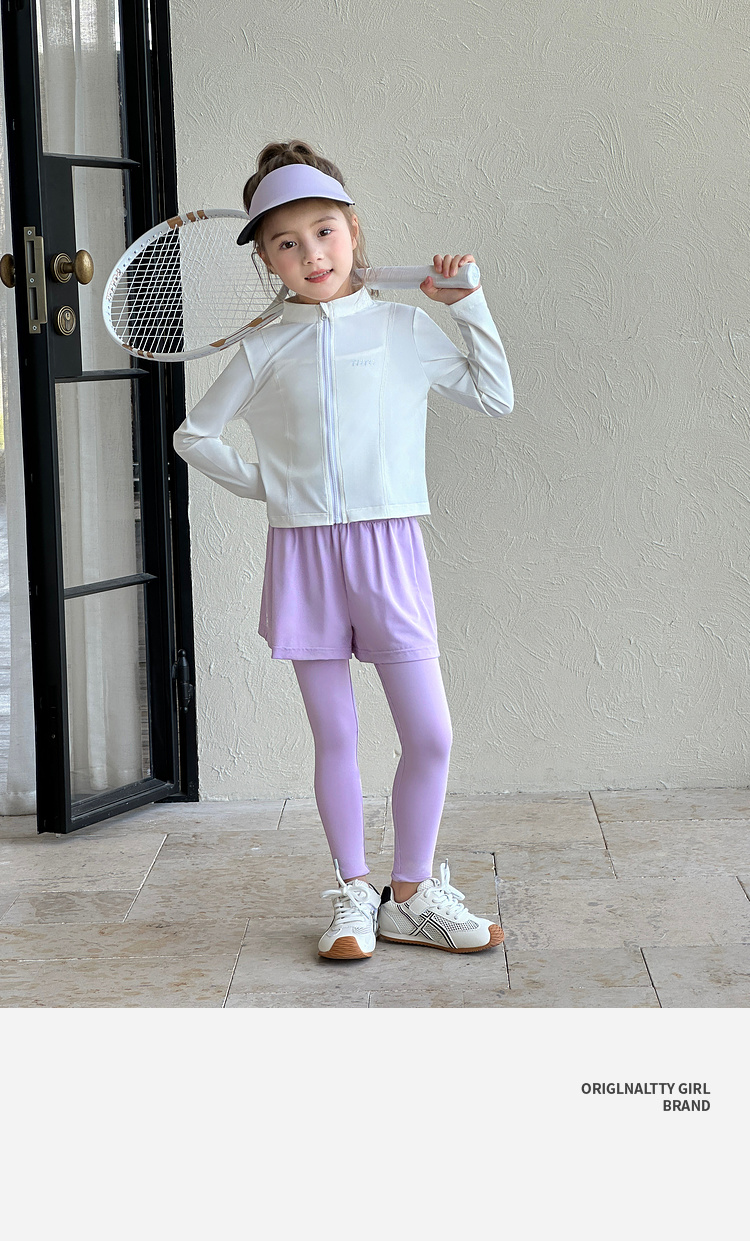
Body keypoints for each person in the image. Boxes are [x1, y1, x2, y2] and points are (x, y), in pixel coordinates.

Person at [173, 139, 514, 961]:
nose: (312, 254)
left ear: (353, 231)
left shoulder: (403, 326)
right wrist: (272, 486)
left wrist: (468, 304)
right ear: (266, 260)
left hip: (388, 546)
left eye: (324, 232)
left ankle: (412, 894)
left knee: (429, 734)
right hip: (303, 555)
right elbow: (194, 435)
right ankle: (356, 891)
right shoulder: (262, 347)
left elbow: (494, 395)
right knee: (336, 735)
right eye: (286, 243)